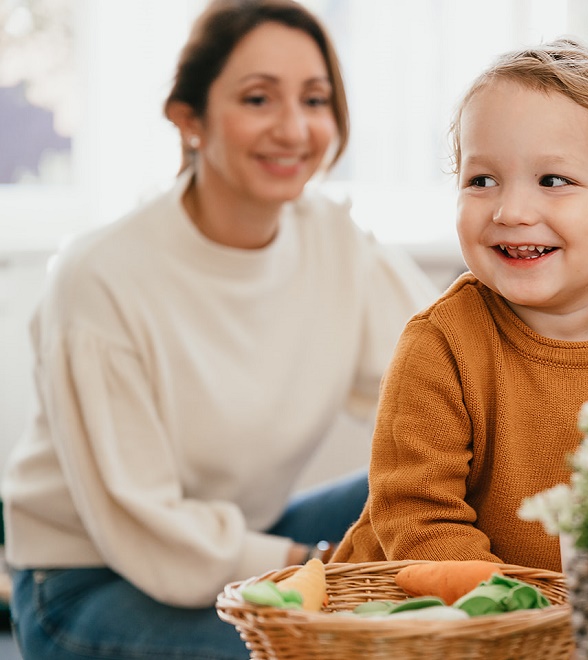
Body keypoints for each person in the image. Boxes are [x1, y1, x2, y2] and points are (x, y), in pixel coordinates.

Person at [1, 1, 436, 658]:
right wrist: (322, 569)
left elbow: (443, 373)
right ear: (189, 118)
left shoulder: (336, 241)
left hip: (240, 541)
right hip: (88, 583)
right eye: (258, 99)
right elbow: (144, 526)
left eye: (315, 100)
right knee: (332, 647)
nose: (293, 129)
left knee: (449, 483)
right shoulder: (100, 278)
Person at [332, 38, 588, 572]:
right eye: (481, 180)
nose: (511, 210)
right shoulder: (440, 346)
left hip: (574, 621)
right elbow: (419, 518)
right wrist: (516, 614)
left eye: (553, 181)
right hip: (427, 615)